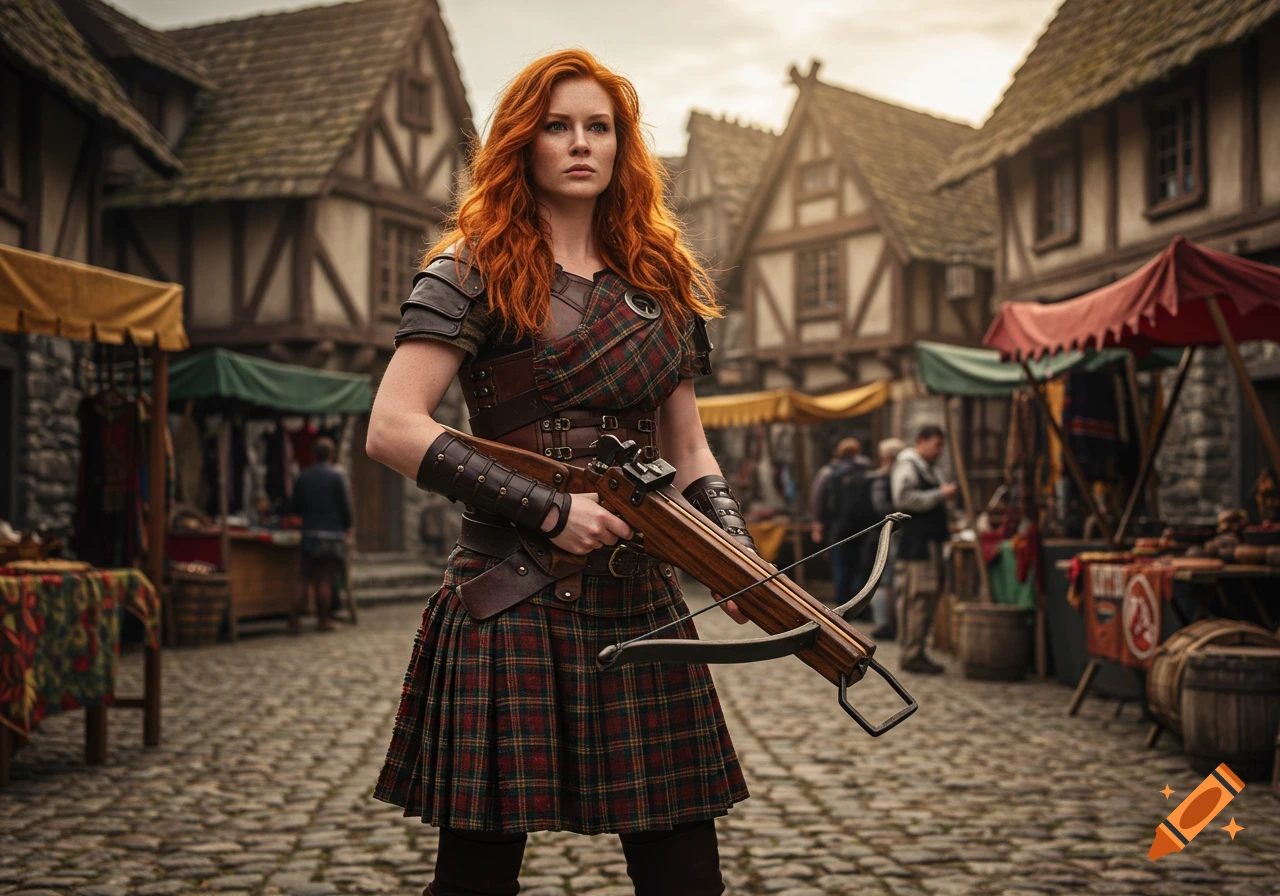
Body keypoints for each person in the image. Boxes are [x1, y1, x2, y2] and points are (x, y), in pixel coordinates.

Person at [365, 50, 752, 896]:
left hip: (641, 601)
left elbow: (689, 450)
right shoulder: (471, 267)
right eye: (557, 125)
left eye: (599, 127)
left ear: (622, 148)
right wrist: (550, 511)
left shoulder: (665, 281)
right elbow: (393, 428)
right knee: (477, 882)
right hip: (513, 590)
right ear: (523, 143)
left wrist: (735, 549)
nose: (580, 143)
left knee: (687, 877)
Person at [891, 425, 957, 674]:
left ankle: (917, 651)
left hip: (930, 544)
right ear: (921, 441)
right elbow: (904, 499)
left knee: (926, 600)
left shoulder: (930, 469)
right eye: (937, 444)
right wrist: (939, 494)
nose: (940, 451)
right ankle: (911, 653)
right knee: (916, 599)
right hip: (916, 545)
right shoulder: (908, 466)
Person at [289, 436, 352, 633]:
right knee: (325, 579)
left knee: (304, 578)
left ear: (313, 454)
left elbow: (295, 506)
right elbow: (345, 506)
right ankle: (323, 621)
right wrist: (347, 527)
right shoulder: (336, 476)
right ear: (331, 454)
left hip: (310, 533)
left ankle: (294, 621)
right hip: (332, 534)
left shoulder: (304, 476)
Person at [818, 438, 875, 609]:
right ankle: (857, 604)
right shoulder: (867, 470)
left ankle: (841, 604)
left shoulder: (831, 472)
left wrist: (821, 523)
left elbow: (821, 500)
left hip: (839, 527)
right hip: (863, 527)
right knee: (860, 566)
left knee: (841, 566)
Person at [869, 437, 905, 640]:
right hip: (887, 534)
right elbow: (881, 508)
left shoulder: (889, 476)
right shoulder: (883, 478)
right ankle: (885, 624)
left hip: (892, 534)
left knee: (890, 580)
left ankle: (890, 623)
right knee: (886, 580)